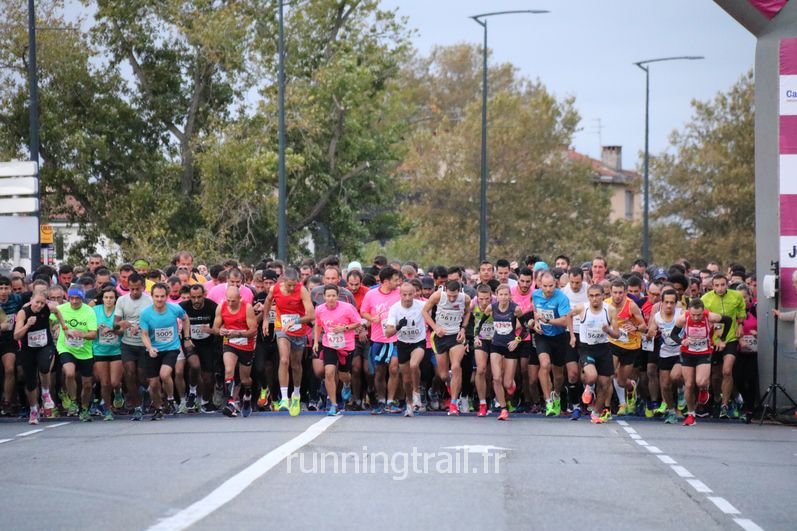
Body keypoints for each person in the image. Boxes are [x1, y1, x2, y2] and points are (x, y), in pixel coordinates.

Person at [670, 298, 732, 426]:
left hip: (704, 352)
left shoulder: (710, 317)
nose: (696, 318)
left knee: (701, 382)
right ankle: (691, 415)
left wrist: (722, 339)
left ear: (703, 311)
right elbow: (673, 334)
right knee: (689, 384)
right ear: (689, 311)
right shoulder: (683, 318)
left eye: (698, 315)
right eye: (693, 314)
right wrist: (681, 341)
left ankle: (704, 388)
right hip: (688, 353)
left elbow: (728, 320)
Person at [262, 267, 315, 416]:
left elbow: (311, 315)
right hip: (282, 328)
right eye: (289, 285)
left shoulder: (302, 290)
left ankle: (296, 394)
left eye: (294, 285)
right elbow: (268, 301)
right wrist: (266, 319)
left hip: (298, 330)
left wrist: (295, 321)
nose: (292, 288)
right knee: (284, 360)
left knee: (296, 365)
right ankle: (284, 398)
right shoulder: (275, 289)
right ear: (284, 281)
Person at [139, 283, 192, 420]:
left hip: (171, 348)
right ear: (152, 296)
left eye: (162, 296)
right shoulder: (145, 313)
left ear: (167, 296)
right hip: (153, 350)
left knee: (164, 374)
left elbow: (185, 319)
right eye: (156, 296)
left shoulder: (175, 308)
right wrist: (150, 348)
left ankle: (170, 398)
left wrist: (186, 337)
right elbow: (144, 334)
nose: (159, 299)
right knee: (153, 384)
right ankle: (158, 408)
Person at [13, 291, 67, 424]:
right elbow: (16, 336)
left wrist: (64, 327)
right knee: (31, 383)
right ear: (31, 300)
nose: (39, 305)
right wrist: (27, 325)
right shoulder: (23, 313)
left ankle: (46, 393)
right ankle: (33, 410)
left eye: (42, 303)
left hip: (45, 345)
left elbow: (58, 312)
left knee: (44, 367)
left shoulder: (48, 308)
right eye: (37, 302)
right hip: (28, 350)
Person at [475, 284, 526, 420]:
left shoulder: (515, 309)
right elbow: (480, 323)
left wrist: (517, 340)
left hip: (510, 347)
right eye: (501, 295)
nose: (503, 297)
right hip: (496, 345)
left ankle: (512, 387)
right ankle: (503, 409)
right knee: (496, 378)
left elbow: (525, 328)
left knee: (507, 384)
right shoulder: (491, 308)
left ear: (510, 296)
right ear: (496, 296)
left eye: (506, 294)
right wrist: (477, 336)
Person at [422, 280, 472, 416]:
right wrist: (435, 327)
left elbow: (468, 312)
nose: (452, 298)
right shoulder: (438, 296)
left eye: (454, 296)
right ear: (445, 291)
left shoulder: (465, 298)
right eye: (449, 295)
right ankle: (451, 382)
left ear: (459, 292)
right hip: (440, 337)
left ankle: (454, 404)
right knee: (443, 375)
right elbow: (424, 311)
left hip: (456, 336)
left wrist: (463, 328)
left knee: (456, 366)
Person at [701, 273, 747, 418]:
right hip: (713, 340)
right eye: (717, 285)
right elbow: (703, 319)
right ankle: (717, 398)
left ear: (727, 284)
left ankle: (725, 405)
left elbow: (741, 310)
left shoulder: (736, 296)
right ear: (712, 286)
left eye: (722, 285)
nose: (720, 288)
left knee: (727, 371)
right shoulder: (705, 299)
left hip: (730, 338)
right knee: (715, 376)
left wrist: (740, 324)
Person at [573, 284, 620, 423]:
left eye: (597, 295)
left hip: (603, 348)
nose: (595, 298)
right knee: (592, 376)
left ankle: (596, 412)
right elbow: (568, 316)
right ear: (588, 297)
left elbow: (617, 334)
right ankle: (589, 387)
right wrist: (571, 335)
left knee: (605, 384)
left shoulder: (610, 310)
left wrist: (609, 331)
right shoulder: (582, 308)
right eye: (592, 296)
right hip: (586, 347)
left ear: (603, 296)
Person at [313, 284, 361, 416]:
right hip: (329, 344)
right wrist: (316, 342)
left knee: (343, 375)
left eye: (333, 296)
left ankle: (347, 383)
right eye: (328, 296)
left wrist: (344, 328)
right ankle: (333, 404)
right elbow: (318, 325)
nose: (331, 298)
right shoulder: (320, 309)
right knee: (329, 372)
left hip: (346, 345)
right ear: (324, 297)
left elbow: (358, 322)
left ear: (337, 296)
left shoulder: (347, 308)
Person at [360, 266, 402, 414]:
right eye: (395, 280)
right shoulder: (371, 294)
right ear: (386, 281)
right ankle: (381, 401)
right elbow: (363, 311)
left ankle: (390, 402)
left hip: (396, 338)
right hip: (378, 339)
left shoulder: (399, 293)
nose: (398, 282)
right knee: (379, 372)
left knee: (394, 368)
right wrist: (372, 318)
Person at [532, 272, 574, 417]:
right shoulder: (536, 295)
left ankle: (556, 394)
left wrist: (547, 320)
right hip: (542, 335)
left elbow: (565, 321)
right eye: (545, 286)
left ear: (555, 284)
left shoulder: (562, 298)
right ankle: (548, 401)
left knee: (558, 376)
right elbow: (535, 311)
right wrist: (536, 322)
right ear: (540, 285)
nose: (548, 289)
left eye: (551, 286)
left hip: (559, 337)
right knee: (545, 365)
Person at [214, 286, 258, 417]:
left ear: (240, 298)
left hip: (245, 344)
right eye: (228, 300)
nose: (230, 303)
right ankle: (230, 402)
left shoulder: (247, 308)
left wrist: (238, 333)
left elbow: (253, 330)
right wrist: (220, 331)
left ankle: (248, 395)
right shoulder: (221, 307)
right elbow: (215, 327)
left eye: (233, 301)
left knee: (245, 379)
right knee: (229, 370)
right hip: (230, 343)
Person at [384, 282, 427, 416]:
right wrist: (398, 326)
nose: (407, 298)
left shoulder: (422, 305)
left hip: (418, 342)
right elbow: (387, 333)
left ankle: (416, 392)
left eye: (410, 294)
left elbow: (437, 305)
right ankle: (409, 403)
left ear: (415, 294)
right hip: (402, 343)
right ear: (400, 295)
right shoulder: (395, 308)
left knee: (414, 365)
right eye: (404, 295)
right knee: (406, 380)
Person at [56, 287, 98, 421]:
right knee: (69, 373)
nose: (74, 301)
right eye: (72, 298)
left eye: (77, 299)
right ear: (68, 298)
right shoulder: (61, 309)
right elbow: (49, 311)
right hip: (66, 347)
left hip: (84, 351)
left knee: (87, 384)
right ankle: (73, 401)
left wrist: (82, 335)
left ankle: (84, 409)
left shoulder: (89, 311)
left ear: (82, 299)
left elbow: (93, 334)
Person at [114, 273, 152, 421]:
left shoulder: (149, 300)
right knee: (129, 373)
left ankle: (146, 393)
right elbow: (116, 327)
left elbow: (154, 322)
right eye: (132, 289)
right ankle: (137, 407)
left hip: (144, 344)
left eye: (138, 289)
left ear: (143, 287)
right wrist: (121, 325)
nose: (135, 292)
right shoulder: (122, 301)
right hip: (128, 344)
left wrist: (141, 328)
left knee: (142, 376)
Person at [606, 279, 647, 416]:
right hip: (613, 342)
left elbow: (644, 326)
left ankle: (631, 386)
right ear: (610, 292)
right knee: (609, 374)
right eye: (615, 292)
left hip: (631, 346)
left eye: (620, 293)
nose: (617, 296)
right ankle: (607, 408)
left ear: (625, 293)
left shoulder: (631, 306)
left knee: (621, 381)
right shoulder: (606, 304)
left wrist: (635, 328)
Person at [646, 289, 684, 424]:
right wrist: (651, 332)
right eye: (666, 302)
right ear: (661, 303)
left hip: (680, 351)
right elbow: (650, 331)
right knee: (666, 386)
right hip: (665, 352)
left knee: (675, 376)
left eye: (672, 303)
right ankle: (672, 411)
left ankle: (681, 390)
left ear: (676, 303)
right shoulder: (657, 317)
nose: (669, 305)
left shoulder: (681, 314)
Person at [181, 284, 220, 412]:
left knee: (208, 378)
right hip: (190, 343)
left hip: (208, 344)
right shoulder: (183, 307)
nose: (196, 300)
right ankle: (192, 392)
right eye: (193, 297)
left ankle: (205, 402)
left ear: (204, 295)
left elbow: (220, 327)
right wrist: (182, 335)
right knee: (195, 365)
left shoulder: (212, 306)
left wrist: (211, 330)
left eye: (199, 297)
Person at [92, 286, 124, 420]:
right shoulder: (95, 310)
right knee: (105, 383)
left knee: (114, 382)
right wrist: (96, 328)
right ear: (102, 298)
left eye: (111, 297)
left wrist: (113, 330)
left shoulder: (119, 311)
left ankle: (118, 391)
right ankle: (108, 410)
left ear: (116, 299)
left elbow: (122, 331)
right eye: (106, 297)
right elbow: (88, 328)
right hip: (100, 350)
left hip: (116, 350)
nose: (109, 300)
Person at [0, 275, 23, 415]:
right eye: (0, 288)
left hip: (10, 341)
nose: (3, 291)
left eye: (6, 288)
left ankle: (7, 403)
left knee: (9, 369)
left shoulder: (17, 299)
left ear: (10, 289)